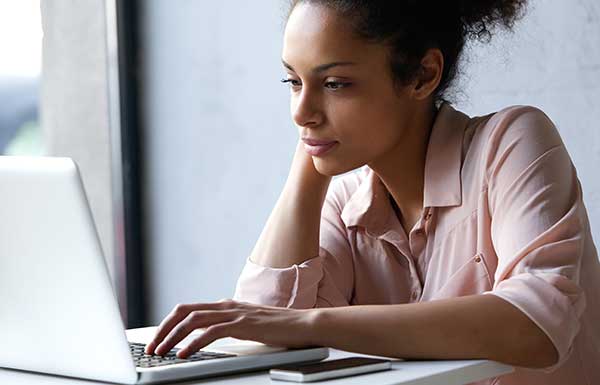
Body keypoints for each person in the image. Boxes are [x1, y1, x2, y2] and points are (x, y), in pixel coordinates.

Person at [145, 1, 600, 384]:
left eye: (335, 84)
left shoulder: (512, 141)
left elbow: (537, 326)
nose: (301, 111)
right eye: (293, 82)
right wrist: (310, 164)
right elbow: (262, 336)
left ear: (423, 75)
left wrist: (313, 324)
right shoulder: (344, 200)